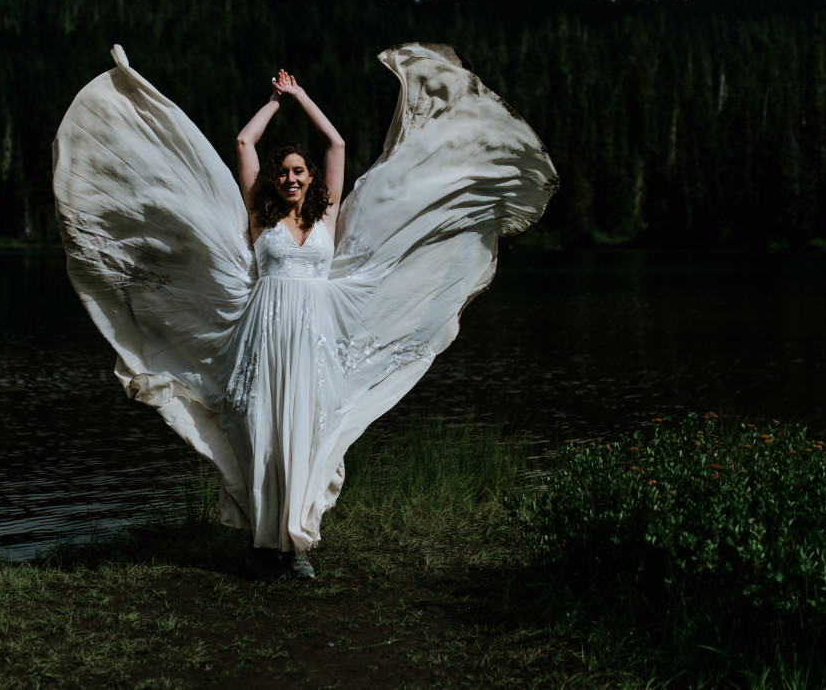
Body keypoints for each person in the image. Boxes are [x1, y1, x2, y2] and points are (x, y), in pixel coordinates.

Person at [52, 43, 557, 581]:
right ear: (274, 180)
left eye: (299, 171)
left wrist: (300, 95)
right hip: (262, 335)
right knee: (261, 429)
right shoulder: (260, 218)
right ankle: (261, 543)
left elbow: (337, 142)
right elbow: (245, 141)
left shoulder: (327, 217)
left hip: (313, 336)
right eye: (284, 172)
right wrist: (273, 102)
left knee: (307, 430)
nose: (291, 178)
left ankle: (297, 545)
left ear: (311, 178)